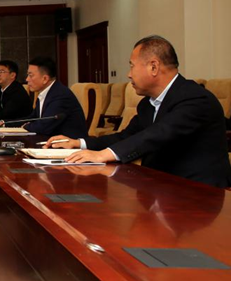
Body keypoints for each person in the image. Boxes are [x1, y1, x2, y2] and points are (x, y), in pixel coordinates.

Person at [46, 35, 231, 188]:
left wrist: (102, 155)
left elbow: (157, 134)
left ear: (153, 67)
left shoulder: (195, 99)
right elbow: (125, 137)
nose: (129, 74)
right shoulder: (147, 104)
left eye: (132, 66)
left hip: (198, 195)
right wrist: (79, 143)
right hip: (160, 189)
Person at [22, 56, 87, 138]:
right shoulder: (45, 93)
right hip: (51, 140)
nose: (27, 79)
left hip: (69, 143)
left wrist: (26, 126)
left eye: (30, 75)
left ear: (45, 79)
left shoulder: (60, 95)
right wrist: (7, 123)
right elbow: (32, 119)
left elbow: (44, 127)